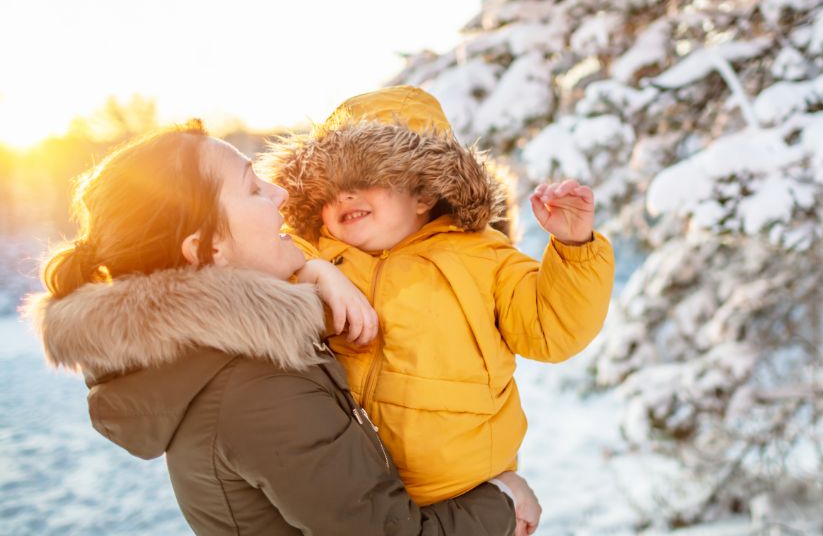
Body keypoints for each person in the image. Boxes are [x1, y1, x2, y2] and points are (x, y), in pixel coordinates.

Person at [21, 120, 537, 535]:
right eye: (252, 188)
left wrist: (314, 274)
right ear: (207, 249)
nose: (280, 195)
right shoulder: (258, 388)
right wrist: (503, 502)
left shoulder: (213, 351)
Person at [256, 86, 616, 528]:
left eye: (365, 179)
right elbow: (257, 286)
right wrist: (316, 271)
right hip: (351, 486)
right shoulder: (308, 256)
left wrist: (575, 247)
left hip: (459, 487)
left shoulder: (483, 257)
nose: (344, 198)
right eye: (330, 191)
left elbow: (552, 329)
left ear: (424, 194)